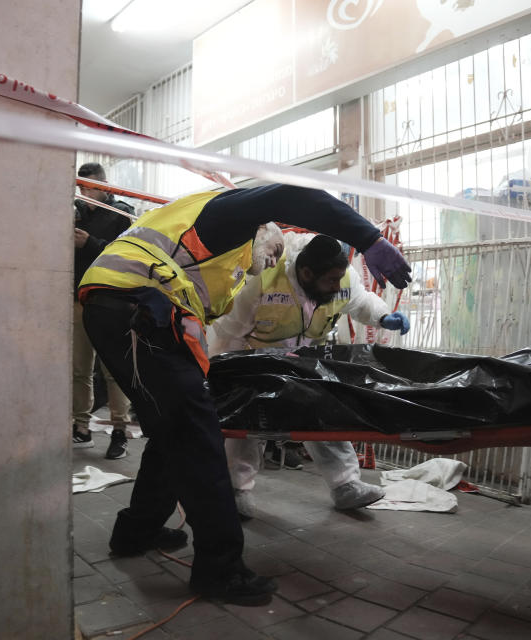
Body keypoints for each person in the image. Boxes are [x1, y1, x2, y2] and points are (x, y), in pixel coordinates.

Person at [78, 184, 411, 606]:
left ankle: (136, 532)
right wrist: (369, 238)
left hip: (128, 309)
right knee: (200, 436)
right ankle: (220, 570)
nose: (266, 266)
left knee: (171, 432)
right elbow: (296, 196)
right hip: (137, 307)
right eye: (268, 256)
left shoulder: (220, 250)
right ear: (260, 232)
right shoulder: (226, 215)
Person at [209, 233, 411, 518]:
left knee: (326, 411)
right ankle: (236, 489)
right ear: (305, 273)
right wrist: (225, 376)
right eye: (329, 281)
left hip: (308, 360)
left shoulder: (340, 275)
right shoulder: (263, 278)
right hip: (257, 359)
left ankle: (346, 485)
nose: (336, 286)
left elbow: (360, 301)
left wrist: (382, 317)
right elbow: (229, 332)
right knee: (248, 424)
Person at [71, 163, 134, 459]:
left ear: (105, 186)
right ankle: (81, 427)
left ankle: (120, 430)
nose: (84, 194)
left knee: (113, 369)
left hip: (111, 301)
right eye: (80, 188)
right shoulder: (76, 212)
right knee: (80, 368)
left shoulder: (123, 214)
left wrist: (90, 243)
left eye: (89, 187)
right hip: (78, 299)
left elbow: (128, 255)